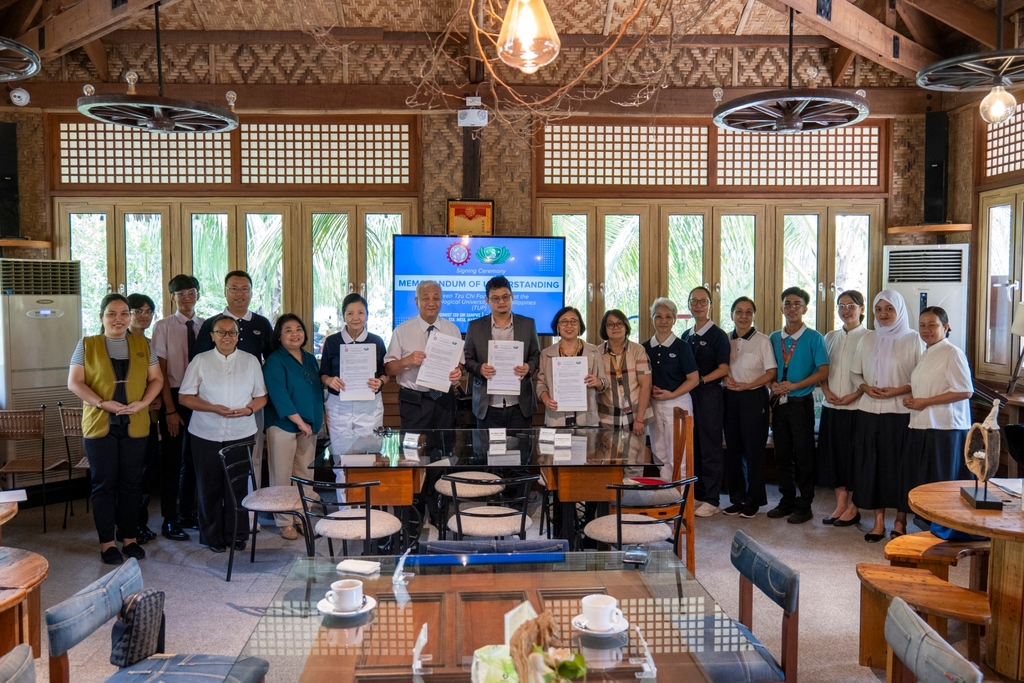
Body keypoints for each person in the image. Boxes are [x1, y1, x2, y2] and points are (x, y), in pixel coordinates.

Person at [68, 294, 164, 565]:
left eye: (124, 313)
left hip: (135, 423)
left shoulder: (143, 344)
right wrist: (101, 403)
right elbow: (74, 382)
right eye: (112, 313)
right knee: (104, 485)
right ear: (101, 317)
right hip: (100, 424)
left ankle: (130, 539)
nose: (119, 319)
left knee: (132, 484)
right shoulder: (87, 344)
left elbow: (157, 378)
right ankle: (107, 543)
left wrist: (144, 403)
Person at [178, 315, 267, 553]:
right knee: (209, 487)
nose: (227, 336)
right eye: (221, 332)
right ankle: (212, 536)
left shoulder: (250, 361)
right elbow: (185, 397)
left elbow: (261, 396)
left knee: (237, 487)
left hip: (242, 432)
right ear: (212, 336)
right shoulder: (201, 360)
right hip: (205, 432)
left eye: (232, 332)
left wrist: (249, 409)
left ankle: (237, 534)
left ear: (239, 336)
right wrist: (212, 408)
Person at [851, 289, 924, 542]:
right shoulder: (867, 339)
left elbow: (920, 378)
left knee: (900, 468)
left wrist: (897, 390)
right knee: (872, 467)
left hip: (901, 414)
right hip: (869, 412)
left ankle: (901, 521)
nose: (883, 314)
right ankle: (878, 521)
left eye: (889, 309)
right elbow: (855, 373)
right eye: (879, 309)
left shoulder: (914, 339)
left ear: (899, 310)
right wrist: (865, 388)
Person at [191, 271, 273, 489]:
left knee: (251, 457)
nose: (239, 294)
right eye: (234, 288)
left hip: (251, 404)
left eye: (245, 288)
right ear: (225, 292)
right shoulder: (212, 324)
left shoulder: (262, 324)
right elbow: (198, 363)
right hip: (212, 410)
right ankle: (221, 514)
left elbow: (272, 361)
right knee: (213, 467)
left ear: (251, 292)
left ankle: (247, 513)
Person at [902, 307, 973, 520]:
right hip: (924, 424)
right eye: (922, 325)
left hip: (945, 428)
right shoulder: (928, 351)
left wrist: (926, 402)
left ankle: (945, 528)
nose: (926, 329)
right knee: (925, 480)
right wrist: (914, 399)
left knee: (942, 484)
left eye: (932, 325)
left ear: (946, 327)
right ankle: (930, 526)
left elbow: (965, 391)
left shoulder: (952, 353)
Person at [768, 287, 830, 525]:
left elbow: (823, 371)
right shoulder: (774, 337)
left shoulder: (815, 337)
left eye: (797, 304)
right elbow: (771, 368)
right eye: (787, 304)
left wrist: (794, 386)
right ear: (781, 308)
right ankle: (786, 501)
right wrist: (774, 383)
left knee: (803, 455)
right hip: (779, 403)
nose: (792, 308)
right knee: (781, 454)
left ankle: (805, 505)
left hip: (800, 402)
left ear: (805, 308)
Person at [151, 274, 204, 541]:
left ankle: (188, 513)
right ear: (172, 297)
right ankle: (169, 520)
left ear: (198, 295)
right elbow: (160, 371)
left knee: (194, 460)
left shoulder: (206, 325)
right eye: (181, 293)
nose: (187, 297)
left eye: (191, 292)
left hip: (199, 398)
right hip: (173, 396)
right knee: (172, 461)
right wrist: (170, 410)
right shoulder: (163, 327)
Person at [264, 314, 323, 541]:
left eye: (298, 329)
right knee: (282, 475)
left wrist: (316, 421)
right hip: (283, 425)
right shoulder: (274, 360)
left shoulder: (310, 358)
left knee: (305, 475)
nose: (294, 334)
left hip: (310, 426)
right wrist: (299, 422)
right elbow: (279, 395)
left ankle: (302, 516)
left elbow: (316, 392)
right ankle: (284, 521)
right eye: (288, 330)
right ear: (279, 335)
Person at [319, 293, 388, 481]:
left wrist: (380, 381)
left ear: (367, 315)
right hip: (339, 405)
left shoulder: (376, 341)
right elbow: (323, 373)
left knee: (369, 455)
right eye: (350, 313)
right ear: (343, 316)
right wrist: (329, 380)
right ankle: (345, 508)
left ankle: (366, 506)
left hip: (369, 406)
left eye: (360, 313)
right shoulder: (332, 342)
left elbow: (385, 373)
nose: (355, 318)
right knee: (341, 457)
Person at [722, 297, 776, 519]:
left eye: (748, 312)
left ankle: (754, 500)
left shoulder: (762, 340)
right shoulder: (725, 339)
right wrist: (727, 379)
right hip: (730, 398)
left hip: (754, 398)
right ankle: (737, 498)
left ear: (753, 315)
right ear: (732, 314)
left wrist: (748, 385)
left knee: (753, 451)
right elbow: (720, 366)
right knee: (733, 450)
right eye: (739, 312)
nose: (743, 316)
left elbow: (771, 372)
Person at [384, 280, 464, 430]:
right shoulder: (402, 330)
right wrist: (406, 361)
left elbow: (458, 364)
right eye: (426, 298)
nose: (431, 303)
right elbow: (389, 369)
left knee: (445, 447)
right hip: (414, 401)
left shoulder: (453, 329)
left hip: (444, 400)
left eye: (436, 298)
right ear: (417, 301)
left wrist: (457, 372)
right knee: (413, 450)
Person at [463, 276, 541, 429]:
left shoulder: (527, 324)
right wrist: (479, 369)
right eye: (495, 298)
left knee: (521, 451)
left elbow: (536, 355)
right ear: (487, 300)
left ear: (512, 297)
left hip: (519, 404)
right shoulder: (475, 326)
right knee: (489, 452)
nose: (501, 302)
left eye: (505, 297)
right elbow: (467, 358)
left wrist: (528, 367)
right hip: (488, 405)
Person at [679, 287, 731, 518]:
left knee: (710, 446)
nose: (698, 305)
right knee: (694, 445)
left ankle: (712, 498)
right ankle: (699, 493)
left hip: (709, 394)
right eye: (694, 301)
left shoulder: (718, 335)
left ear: (710, 305)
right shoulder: (685, 335)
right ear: (689, 304)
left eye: (703, 301)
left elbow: (724, 368)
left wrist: (700, 379)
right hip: (688, 396)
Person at [818, 290, 868, 528]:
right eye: (842, 305)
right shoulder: (829, 336)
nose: (846, 310)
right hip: (832, 406)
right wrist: (826, 391)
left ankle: (854, 507)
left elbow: (871, 376)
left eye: (852, 305)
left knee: (854, 459)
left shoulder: (870, 338)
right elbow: (823, 370)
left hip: (858, 408)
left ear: (862, 309)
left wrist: (853, 395)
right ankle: (840, 505)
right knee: (835, 458)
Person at [643, 298, 699, 480]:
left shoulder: (682, 347)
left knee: (679, 454)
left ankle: (681, 501)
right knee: (660, 453)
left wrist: (672, 394)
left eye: (668, 316)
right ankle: (667, 496)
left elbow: (693, 379)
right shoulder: (644, 348)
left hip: (677, 404)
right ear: (652, 318)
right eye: (658, 316)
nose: (663, 320)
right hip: (654, 405)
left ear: (674, 319)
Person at [536, 306, 609, 427]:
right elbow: (540, 383)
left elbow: (604, 383)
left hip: (587, 418)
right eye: (564, 322)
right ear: (557, 326)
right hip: (556, 418)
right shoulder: (546, 353)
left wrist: (598, 382)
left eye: (574, 321)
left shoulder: (593, 351)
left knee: (587, 446)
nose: (569, 325)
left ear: (580, 325)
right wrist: (546, 399)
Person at [126, 293, 160, 544]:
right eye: (138, 311)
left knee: (145, 474)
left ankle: (139, 524)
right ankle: (128, 527)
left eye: (149, 311)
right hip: (123, 419)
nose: (144, 316)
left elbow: (155, 380)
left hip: (148, 418)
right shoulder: (116, 342)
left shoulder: (148, 344)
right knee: (128, 476)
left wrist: (152, 398)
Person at [597, 309, 652, 433]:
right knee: (608, 452)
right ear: (604, 328)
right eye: (610, 324)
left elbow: (646, 385)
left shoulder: (638, 350)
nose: (615, 327)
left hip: (636, 415)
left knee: (635, 452)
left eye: (619, 323)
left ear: (626, 326)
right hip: (607, 418)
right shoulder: (597, 353)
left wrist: (639, 420)